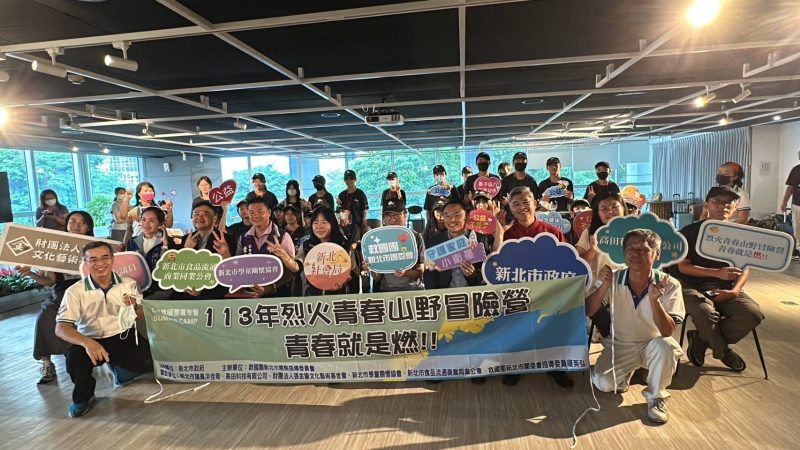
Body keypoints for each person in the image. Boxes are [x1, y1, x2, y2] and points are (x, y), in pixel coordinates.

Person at [587, 229, 684, 425]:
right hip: (620, 343)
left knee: (667, 345)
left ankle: (657, 397)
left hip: (652, 344)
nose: (636, 253)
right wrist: (603, 286)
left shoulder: (670, 284)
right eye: (631, 248)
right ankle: (629, 372)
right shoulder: (613, 278)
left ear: (656, 254)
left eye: (643, 249)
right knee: (603, 383)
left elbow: (667, 331)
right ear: (624, 254)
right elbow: (589, 310)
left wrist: (655, 301)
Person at [55, 241, 151, 417]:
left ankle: (119, 369)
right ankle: (83, 398)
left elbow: (141, 315)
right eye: (93, 259)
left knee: (147, 362)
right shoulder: (75, 291)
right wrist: (88, 343)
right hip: (90, 339)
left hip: (123, 335)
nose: (100, 263)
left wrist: (136, 307)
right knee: (75, 361)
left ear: (112, 259)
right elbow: (61, 328)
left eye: (105, 258)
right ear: (85, 263)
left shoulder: (128, 283)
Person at [676, 186, 764, 372]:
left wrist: (734, 291)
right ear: (706, 204)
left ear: (735, 207)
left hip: (725, 288)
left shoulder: (740, 234)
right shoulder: (690, 231)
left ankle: (701, 338)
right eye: (716, 201)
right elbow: (683, 266)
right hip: (692, 287)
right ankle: (722, 351)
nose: (722, 206)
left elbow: (745, 267)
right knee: (704, 312)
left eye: (728, 202)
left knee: (752, 314)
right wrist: (717, 273)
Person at [501, 186, 572, 388]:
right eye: (516, 204)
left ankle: (556, 367)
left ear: (535, 203)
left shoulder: (553, 232)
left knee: (552, 328)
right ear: (510, 209)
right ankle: (515, 367)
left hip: (548, 293)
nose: (522, 207)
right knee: (516, 330)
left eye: (526, 202)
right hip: (518, 294)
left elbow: (566, 263)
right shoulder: (507, 235)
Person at [17, 211, 94, 384]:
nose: (76, 225)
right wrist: (30, 274)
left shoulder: (96, 247)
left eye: (82, 222)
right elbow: (49, 281)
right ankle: (46, 363)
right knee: (45, 316)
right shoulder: (56, 248)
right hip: (63, 293)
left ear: (88, 227)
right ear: (66, 224)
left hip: (90, 291)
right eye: (72, 221)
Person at [230, 197, 295, 297]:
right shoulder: (243, 237)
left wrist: (270, 288)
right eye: (251, 212)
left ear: (269, 212)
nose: (256, 215)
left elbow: (291, 269)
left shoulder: (282, 236)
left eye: (260, 212)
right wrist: (225, 253)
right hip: (251, 295)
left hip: (278, 296)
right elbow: (237, 266)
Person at [171, 201, 236, 300]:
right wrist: (186, 250)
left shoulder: (226, 239)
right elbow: (178, 268)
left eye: (205, 214)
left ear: (214, 218)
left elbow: (232, 272)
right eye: (196, 214)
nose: (199, 218)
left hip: (214, 293)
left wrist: (225, 254)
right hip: (187, 291)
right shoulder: (186, 239)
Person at [288, 206, 359, 296]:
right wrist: (285, 257)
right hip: (313, 298)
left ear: (332, 224)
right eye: (315, 223)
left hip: (338, 297)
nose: (319, 227)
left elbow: (354, 271)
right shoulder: (306, 246)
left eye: (324, 222)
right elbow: (297, 267)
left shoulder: (344, 245)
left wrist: (345, 279)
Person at [364, 200, 425, 292]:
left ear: (405, 215)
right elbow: (377, 277)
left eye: (396, 214)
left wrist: (405, 273)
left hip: (412, 289)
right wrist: (372, 268)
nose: (393, 219)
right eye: (388, 215)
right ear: (383, 218)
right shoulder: (377, 240)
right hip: (386, 290)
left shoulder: (415, 237)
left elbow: (420, 271)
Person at [576, 192, 628, 282]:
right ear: (598, 213)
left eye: (614, 207)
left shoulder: (634, 232)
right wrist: (592, 250)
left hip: (625, 286)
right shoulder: (589, 232)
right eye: (604, 209)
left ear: (623, 208)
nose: (610, 212)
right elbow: (577, 264)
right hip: (597, 287)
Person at [125, 206, 171, 298]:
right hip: (137, 289)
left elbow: (166, 267)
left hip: (160, 290)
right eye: (143, 219)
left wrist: (165, 245)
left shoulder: (169, 242)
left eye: (151, 220)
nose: (146, 224)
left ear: (160, 223)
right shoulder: (132, 242)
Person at [780, 148, 800, 260]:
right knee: (797, 229)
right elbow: (790, 187)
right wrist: (784, 202)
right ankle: (798, 250)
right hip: (797, 204)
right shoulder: (796, 170)